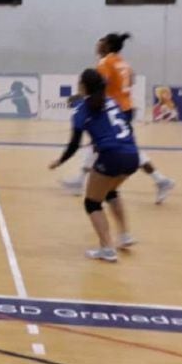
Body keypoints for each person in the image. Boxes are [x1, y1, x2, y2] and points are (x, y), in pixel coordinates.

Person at [61, 33, 174, 203]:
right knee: (99, 145)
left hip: (114, 109)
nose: (98, 45)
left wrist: (79, 96)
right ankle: (80, 179)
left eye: (101, 42)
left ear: (107, 46)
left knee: (117, 147)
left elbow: (99, 84)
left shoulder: (105, 62)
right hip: (125, 106)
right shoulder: (123, 62)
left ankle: (161, 179)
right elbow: (132, 79)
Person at [49, 68, 138, 262]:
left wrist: (59, 161)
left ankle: (107, 248)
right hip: (132, 155)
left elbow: (74, 144)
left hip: (112, 156)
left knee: (92, 202)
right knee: (111, 192)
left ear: (83, 86)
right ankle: (125, 235)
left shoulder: (82, 109)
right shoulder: (111, 101)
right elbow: (127, 127)